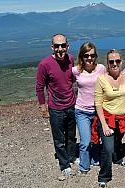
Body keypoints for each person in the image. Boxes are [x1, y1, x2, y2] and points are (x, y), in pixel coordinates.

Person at [36, 33, 77, 176]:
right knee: (59, 139)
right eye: (57, 46)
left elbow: (71, 79)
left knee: (71, 136)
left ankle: (71, 157)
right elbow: (39, 87)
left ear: (67, 46)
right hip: (56, 108)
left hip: (71, 104)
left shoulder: (71, 59)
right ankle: (64, 164)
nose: (60, 49)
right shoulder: (44, 64)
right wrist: (43, 108)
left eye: (63, 45)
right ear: (52, 47)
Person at [93, 49, 125, 188]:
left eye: (117, 61)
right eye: (111, 61)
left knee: (118, 140)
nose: (114, 64)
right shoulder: (102, 79)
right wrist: (103, 125)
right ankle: (104, 175)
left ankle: (118, 158)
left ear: (121, 62)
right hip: (107, 118)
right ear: (107, 64)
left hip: (123, 117)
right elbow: (98, 103)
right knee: (108, 147)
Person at [72, 42, 106, 174]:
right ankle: (84, 166)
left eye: (92, 55)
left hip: (98, 111)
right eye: (86, 55)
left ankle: (95, 159)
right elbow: (66, 83)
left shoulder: (101, 69)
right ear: (82, 56)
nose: (89, 58)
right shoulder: (76, 70)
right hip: (82, 111)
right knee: (85, 141)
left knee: (96, 139)